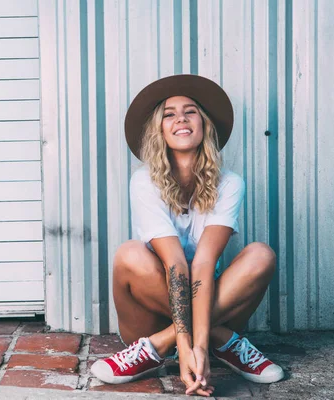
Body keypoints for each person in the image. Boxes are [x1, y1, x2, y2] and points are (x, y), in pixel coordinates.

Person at [91, 75, 284, 396]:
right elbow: (176, 264)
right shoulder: (144, 182)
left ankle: (160, 346)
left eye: (190, 111)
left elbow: (205, 263)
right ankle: (224, 342)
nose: (180, 117)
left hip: (204, 300)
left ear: (205, 125)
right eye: (169, 113)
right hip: (148, 317)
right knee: (130, 253)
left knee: (261, 255)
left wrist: (199, 345)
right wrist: (188, 351)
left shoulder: (229, 183)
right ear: (161, 131)